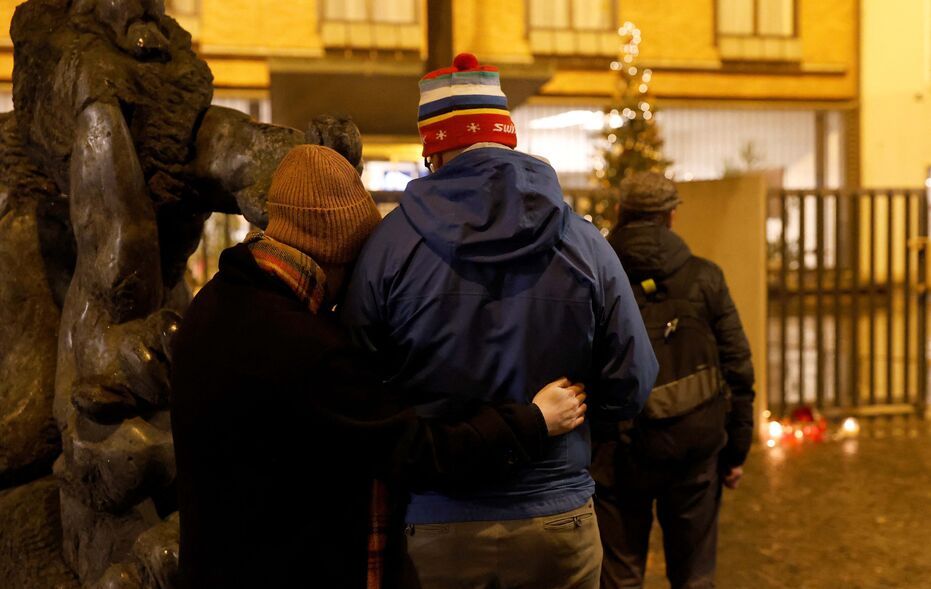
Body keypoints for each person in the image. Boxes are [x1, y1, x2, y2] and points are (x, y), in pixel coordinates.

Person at [170, 144, 588, 589]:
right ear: (339, 256)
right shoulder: (304, 347)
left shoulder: (214, 303)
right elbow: (417, 450)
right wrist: (533, 421)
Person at [342, 53, 658, 589]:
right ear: (507, 138)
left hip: (437, 524)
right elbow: (632, 379)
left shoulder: (388, 248)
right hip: (557, 515)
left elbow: (358, 382)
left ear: (432, 151)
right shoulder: (584, 244)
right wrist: (580, 423)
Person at [593, 171, 756, 589]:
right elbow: (738, 366)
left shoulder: (597, 277)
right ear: (671, 217)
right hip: (694, 447)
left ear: (620, 212)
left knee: (619, 576)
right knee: (694, 576)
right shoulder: (705, 277)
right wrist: (735, 452)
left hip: (615, 453)